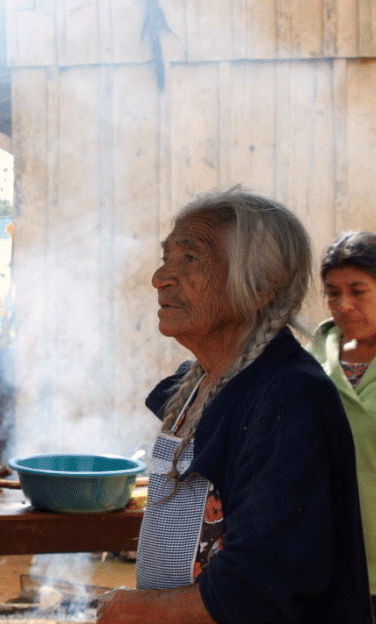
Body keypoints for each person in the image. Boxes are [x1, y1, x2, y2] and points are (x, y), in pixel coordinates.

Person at [97, 188, 370, 624]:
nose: (160, 277)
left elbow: (257, 589)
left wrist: (134, 610)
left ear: (262, 285)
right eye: (167, 256)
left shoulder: (288, 395)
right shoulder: (195, 384)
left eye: (190, 259)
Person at [308, 231, 376, 614]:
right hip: (324, 565)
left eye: (358, 291)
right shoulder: (312, 360)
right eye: (333, 293)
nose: (343, 304)